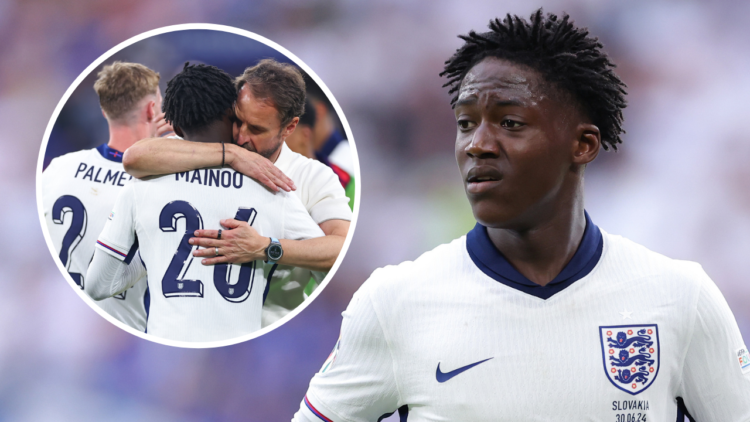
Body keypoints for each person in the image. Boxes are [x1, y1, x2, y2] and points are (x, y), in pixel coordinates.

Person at [293, 10, 750, 422]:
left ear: (583, 145)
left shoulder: (681, 298)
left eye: (510, 123)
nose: (478, 144)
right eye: (467, 123)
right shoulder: (394, 303)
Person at [85, 63, 324, 342]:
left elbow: (98, 286)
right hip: (241, 353)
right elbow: (327, 264)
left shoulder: (140, 187)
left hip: (165, 351)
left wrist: (155, 250)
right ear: (231, 111)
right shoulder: (271, 186)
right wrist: (268, 249)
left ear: (173, 124)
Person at [42, 61, 169, 331]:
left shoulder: (58, 167)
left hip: (56, 316)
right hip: (118, 326)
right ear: (151, 109)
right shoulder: (155, 185)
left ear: (104, 110)